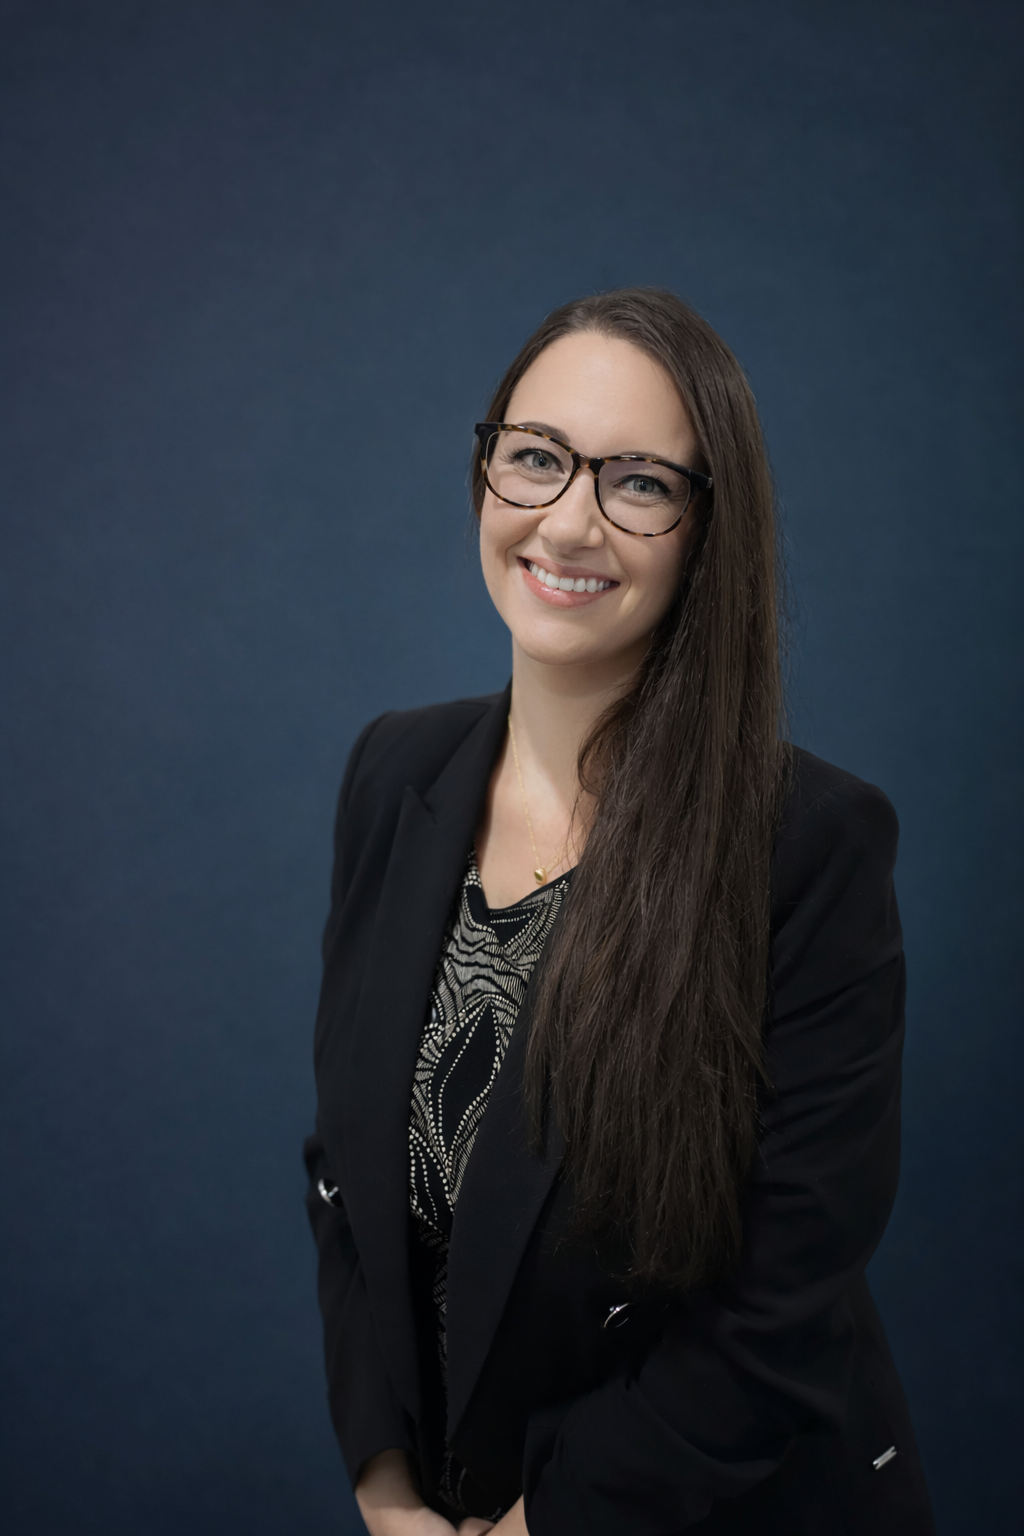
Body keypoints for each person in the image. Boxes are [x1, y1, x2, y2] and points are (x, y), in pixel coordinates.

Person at [303, 288, 934, 1535]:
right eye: (534, 458)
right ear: (486, 472)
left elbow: (781, 1304)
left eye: (637, 481)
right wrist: (384, 1486)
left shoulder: (807, 847)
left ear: (707, 528)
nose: (566, 520)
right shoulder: (396, 771)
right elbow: (345, 1180)